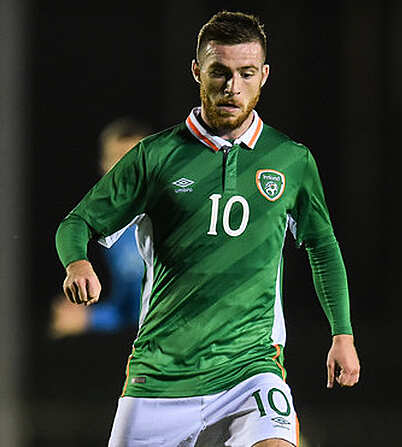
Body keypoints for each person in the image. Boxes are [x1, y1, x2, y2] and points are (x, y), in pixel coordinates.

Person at [55, 11, 360, 446]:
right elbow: (77, 222)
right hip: (160, 376)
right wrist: (77, 260)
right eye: (220, 72)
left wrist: (342, 333)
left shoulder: (291, 160)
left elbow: (322, 245)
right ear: (198, 71)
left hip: (250, 369)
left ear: (264, 76)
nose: (232, 86)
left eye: (246, 73)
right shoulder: (155, 157)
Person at [50, 118, 150, 338]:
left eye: (134, 159)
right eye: (118, 159)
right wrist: (87, 319)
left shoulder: (174, 211)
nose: (126, 170)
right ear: (104, 166)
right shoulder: (114, 233)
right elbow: (129, 309)